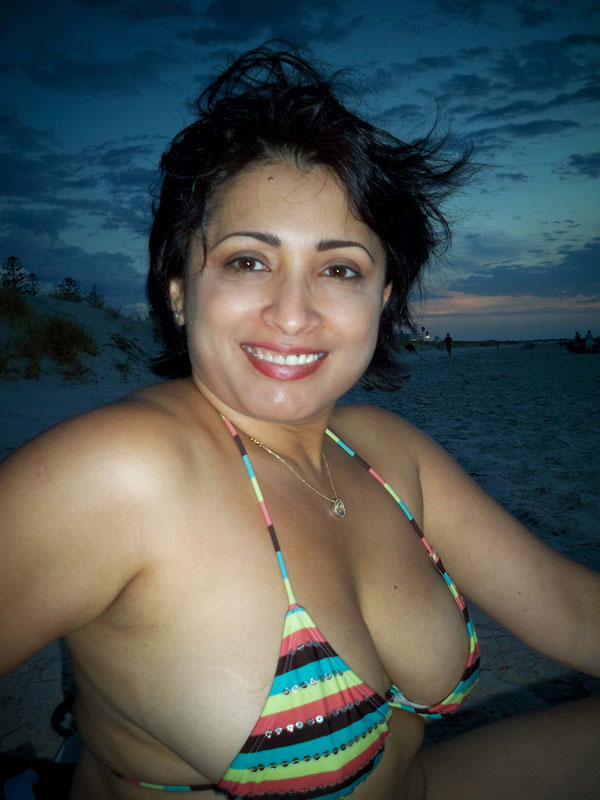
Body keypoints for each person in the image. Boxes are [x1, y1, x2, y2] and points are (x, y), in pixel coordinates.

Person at [1, 44, 599, 800]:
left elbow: (569, 606)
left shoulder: (388, 453)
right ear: (181, 287)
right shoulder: (124, 471)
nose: (292, 313)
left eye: (340, 269)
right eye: (249, 261)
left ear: (383, 299)